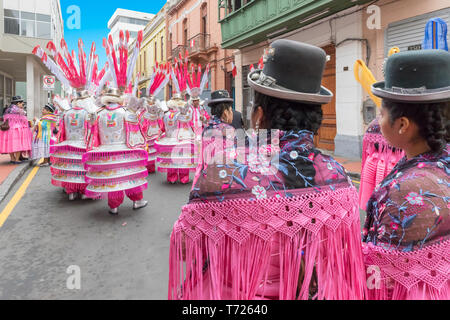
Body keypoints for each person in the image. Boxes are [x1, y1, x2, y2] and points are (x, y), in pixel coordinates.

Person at [168, 40, 367, 300]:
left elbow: (185, 245)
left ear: (259, 115)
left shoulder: (224, 169)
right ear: (316, 118)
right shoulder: (339, 176)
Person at [363, 49, 450, 300]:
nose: (377, 121)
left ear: (402, 124)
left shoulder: (405, 191)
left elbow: (384, 282)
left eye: (381, 113)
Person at [83, 31, 148, 215]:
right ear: (119, 98)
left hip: (105, 151)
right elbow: (137, 133)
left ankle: (114, 206)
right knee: (130, 175)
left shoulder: (98, 113)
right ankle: (137, 201)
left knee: (112, 178)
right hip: (124, 150)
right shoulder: (126, 112)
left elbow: (91, 135)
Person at [0, 96, 32, 164]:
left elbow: (4, 119)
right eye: (22, 103)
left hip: (8, 129)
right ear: (17, 103)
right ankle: (17, 159)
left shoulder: (7, 109)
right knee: (18, 144)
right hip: (17, 130)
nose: (22, 105)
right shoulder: (20, 111)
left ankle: (12, 158)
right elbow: (25, 120)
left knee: (10, 144)